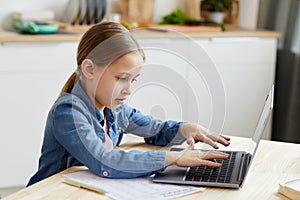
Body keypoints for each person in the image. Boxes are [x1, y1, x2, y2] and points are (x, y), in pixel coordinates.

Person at [27, 22, 230, 186]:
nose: (128, 89)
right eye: (121, 78)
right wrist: (171, 158)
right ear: (89, 70)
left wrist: (186, 129)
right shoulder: (68, 112)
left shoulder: (116, 109)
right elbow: (104, 161)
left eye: (133, 80)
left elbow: (155, 130)